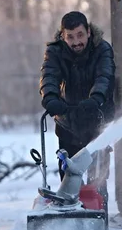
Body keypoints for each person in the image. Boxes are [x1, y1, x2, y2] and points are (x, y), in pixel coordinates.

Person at [39, 11, 115, 187]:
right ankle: (71, 210)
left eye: (80, 35)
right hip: (68, 122)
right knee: (69, 178)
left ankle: (97, 209)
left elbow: (104, 76)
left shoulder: (102, 49)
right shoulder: (55, 51)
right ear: (63, 36)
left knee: (98, 180)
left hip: (98, 118)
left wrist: (96, 98)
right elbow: (49, 75)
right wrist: (50, 98)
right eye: (70, 37)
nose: (76, 42)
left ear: (88, 32)